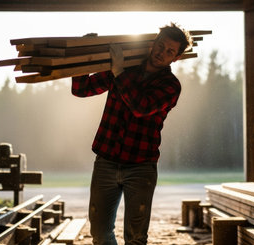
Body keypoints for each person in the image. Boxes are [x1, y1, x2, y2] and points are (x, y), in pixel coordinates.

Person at [71, 23, 192, 245]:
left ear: (175, 58)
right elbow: (81, 89)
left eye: (169, 51)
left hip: (141, 166)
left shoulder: (171, 85)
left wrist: (118, 72)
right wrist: (84, 51)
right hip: (106, 161)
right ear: (153, 43)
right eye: (161, 45)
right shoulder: (126, 68)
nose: (161, 53)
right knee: (99, 233)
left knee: (136, 238)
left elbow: (141, 107)